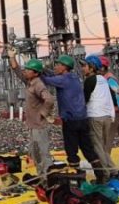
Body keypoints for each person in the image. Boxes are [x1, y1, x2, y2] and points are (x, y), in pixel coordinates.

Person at [39, 54, 107, 184]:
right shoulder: (74, 77)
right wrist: (44, 69)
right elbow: (53, 75)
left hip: (71, 120)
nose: (56, 67)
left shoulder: (63, 80)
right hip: (83, 118)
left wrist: (37, 71)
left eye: (59, 65)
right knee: (88, 149)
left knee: (71, 150)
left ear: (65, 67)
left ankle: (78, 178)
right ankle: (101, 175)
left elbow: (47, 80)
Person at [7, 48, 55, 177]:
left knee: (43, 152)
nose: (25, 71)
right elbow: (18, 72)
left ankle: (48, 177)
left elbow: (49, 99)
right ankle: (41, 175)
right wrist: (12, 57)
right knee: (35, 152)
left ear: (36, 73)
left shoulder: (38, 85)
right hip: (33, 125)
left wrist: (43, 113)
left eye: (28, 69)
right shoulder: (30, 82)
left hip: (39, 126)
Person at [81, 55, 118, 179]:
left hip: (95, 116)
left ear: (91, 68)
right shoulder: (103, 79)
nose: (82, 68)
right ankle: (113, 170)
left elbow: (84, 100)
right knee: (103, 146)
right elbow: (112, 97)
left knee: (97, 147)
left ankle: (104, 174)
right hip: (107, 117)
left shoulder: (89, 81)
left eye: (85, 66)